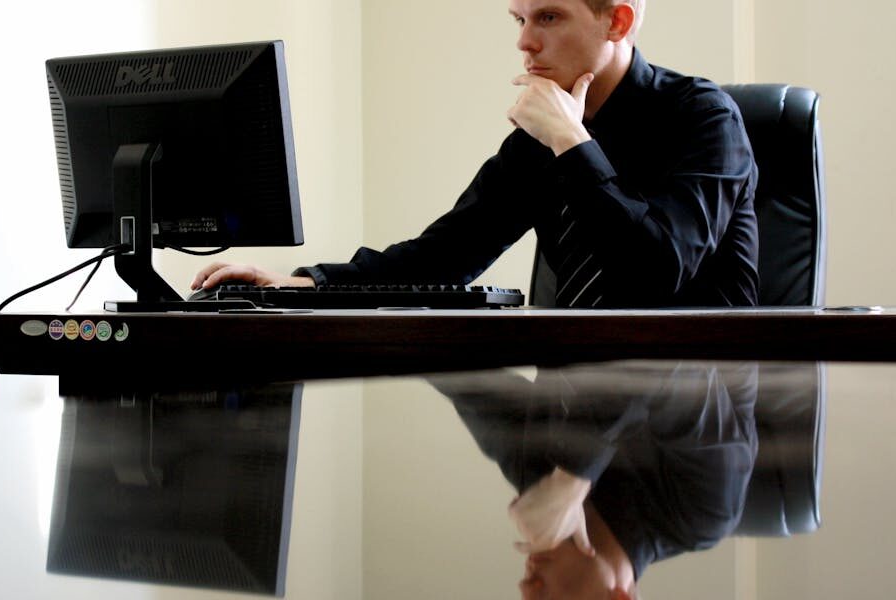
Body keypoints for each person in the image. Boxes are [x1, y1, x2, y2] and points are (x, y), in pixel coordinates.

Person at [192, 0, 758, 308]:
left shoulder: (703, 118)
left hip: (695, 418)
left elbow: (657, 272)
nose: (523, 41)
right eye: (519, 19)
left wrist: (571, 143)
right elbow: (441, 258)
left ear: (618, 19)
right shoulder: (536, 140)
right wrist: (302, 285)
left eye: (549, 17)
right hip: (574, 408)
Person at [428, 361, 759, 599]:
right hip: (694, 278)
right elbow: (659, 361)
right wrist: (573, 477)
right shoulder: (702, 513)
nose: (525, 589)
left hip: (582, 283)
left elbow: (461, 374)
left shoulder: (538, 481)